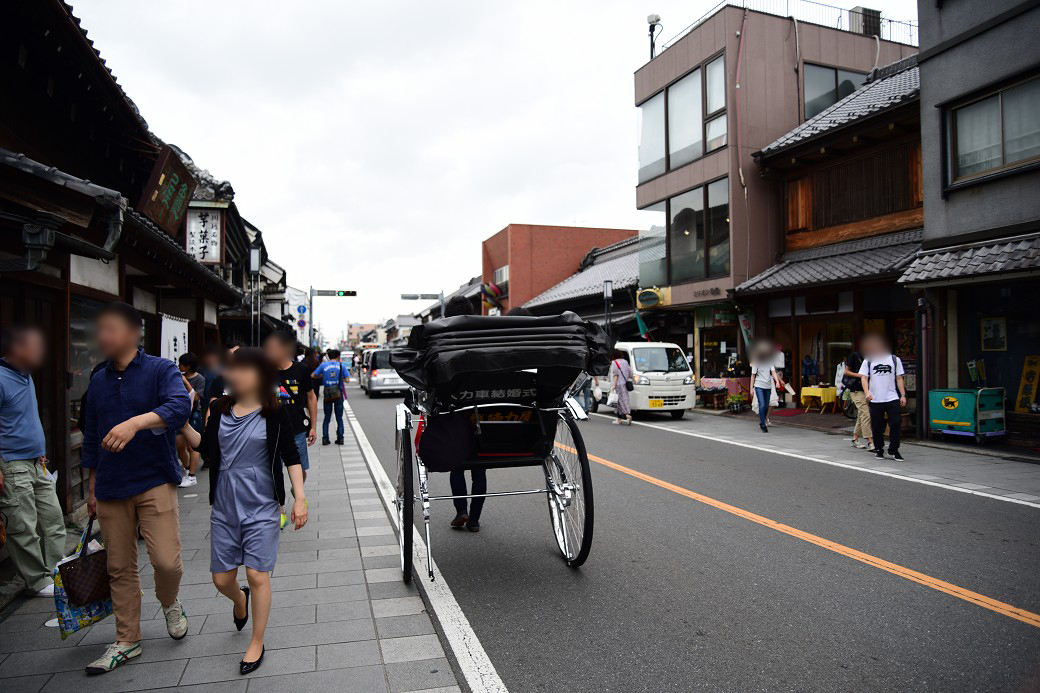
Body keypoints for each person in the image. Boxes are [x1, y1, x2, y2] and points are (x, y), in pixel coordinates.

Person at [80, 302, 191, 675]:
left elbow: (179, 408)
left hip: (154, 478)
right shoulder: (98, 379)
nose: (103, 337)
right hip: (111, 485)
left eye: (110, 329)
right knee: (118, 567)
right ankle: (127, 639)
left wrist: (135, 424)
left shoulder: (160, 370)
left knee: (165, 561)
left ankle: (170, 600)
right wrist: (92, 487)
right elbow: (92, 435)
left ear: (132, 333)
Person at [181, 348, 307, 675]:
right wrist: (180, 421)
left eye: (243, 369)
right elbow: (204, 448)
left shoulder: (276, 413)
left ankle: (257, 641)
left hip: (263, 504)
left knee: (256, 573)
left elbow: (291, 456)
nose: (233, 374)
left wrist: (300, 498)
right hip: (224, 505)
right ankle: (240, 600)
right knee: (222, 578)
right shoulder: (219, 409)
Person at [0, 324, 66, 598]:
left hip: (36, 461)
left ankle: (55, 569)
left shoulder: (26, 375)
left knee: (53, 518)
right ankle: (37, 581)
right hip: (11, 463)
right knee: (23, 524)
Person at [441, 294, 487, 531]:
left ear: (447, 317)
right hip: (486, 413)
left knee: (457, 466)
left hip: (455, 413)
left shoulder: (443, 341)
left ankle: (461, 511)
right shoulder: (485, 338)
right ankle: (476, 520)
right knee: (479, 469)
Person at [263, 330, 316, 485]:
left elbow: (311, 397)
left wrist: (313, 426)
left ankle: (298, 496)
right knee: (272, 470)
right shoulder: (264, 371)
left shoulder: (301, 369)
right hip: (271, 428)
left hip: (297, 428)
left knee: (299, 469)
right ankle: (279, 505)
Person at [858, 334, 907, 462]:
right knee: (877, 426)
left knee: (896, 424)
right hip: (875, 398)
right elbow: (864, 378)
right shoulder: (869, 360)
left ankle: (894, 450)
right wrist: (867, 392)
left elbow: (899, 378)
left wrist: (903, 395)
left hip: (892, 397)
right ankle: (879, 449)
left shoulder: (895, 360)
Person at [177, 352, 206, 487]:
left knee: (192, 445)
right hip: (180, 412)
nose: (179, 366)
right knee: (179, 444)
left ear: (188, 366)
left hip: (194, 413)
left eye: (181, 364)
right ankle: (187, 468)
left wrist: (185, 382)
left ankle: (192, 475)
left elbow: (196, 397)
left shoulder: (199, 379)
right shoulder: (176, 377)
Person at [312, 349, 348, 445]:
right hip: (338, 394)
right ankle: (340, 439)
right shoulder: (341, 366)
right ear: (338, 356)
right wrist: (340, 379)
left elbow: (313, 375)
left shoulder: (323, 365)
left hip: (327, 394)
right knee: (339, 418)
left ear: (329, 356)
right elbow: (348, 380)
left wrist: (322, 377)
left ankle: (325, 438)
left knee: (327, 417)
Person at [842, 350, 873, 451]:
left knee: (861, 415)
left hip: (867, 390)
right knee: (865, 414)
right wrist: (860, 375)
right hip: (856, 390)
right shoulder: (855, 355)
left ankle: (855, 440)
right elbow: (846, 371)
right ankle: (870, 441)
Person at [750, 342, 781, 433]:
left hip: (768, 386)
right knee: (762, 404)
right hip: (759, 385)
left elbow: (773, 372)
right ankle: (763, 424)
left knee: (766, 406)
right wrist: (751, 388)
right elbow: (753, 375)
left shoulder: (769, 360)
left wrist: (777, 382)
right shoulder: (756, 361)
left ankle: (762, 421)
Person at [609, 350, 633, 425]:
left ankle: (627, 415)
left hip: (618, 385)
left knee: (619, 401)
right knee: (623, 401)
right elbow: (630, 373)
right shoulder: (625, 362)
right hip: (624, 384)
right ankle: (619, 419)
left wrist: (613, 386)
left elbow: (615, 375)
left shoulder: (614, 362)